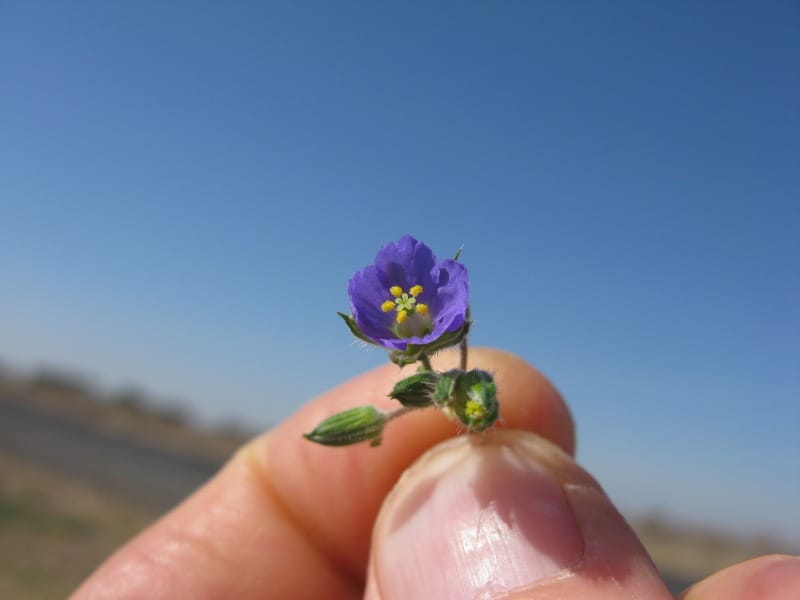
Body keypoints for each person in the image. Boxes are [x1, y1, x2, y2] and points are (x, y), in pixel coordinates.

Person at [72, 349, 799, 599]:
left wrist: (474, 406)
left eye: (420, 307)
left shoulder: (458, 373)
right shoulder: (420, 361)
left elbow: (476, 395)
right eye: (401, 311)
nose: (409, 313)